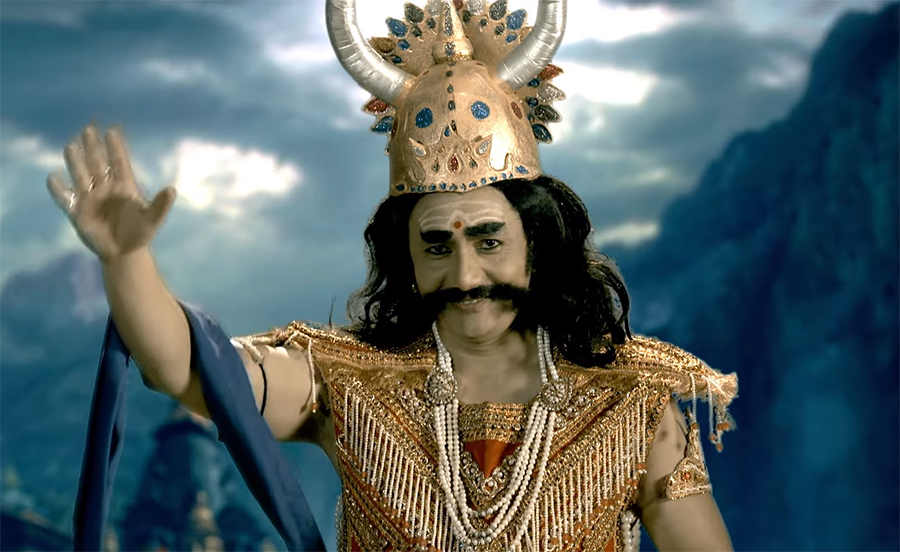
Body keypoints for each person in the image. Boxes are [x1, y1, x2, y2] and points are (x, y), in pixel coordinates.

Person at [52, 1, 738, 550]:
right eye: (437, 246)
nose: (465, 273)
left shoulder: (632, 403)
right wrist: (126, 261)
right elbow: (187, 370)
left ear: (538, 241)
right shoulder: (348, 384)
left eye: (489, 240)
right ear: (405, 258)